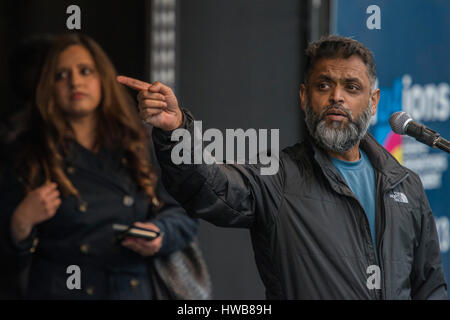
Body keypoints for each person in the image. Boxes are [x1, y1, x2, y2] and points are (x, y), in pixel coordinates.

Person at [117, 35, 448, 299]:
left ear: (373, 101)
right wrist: (176, 131)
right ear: (304, 97)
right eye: (323, 85)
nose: (336, 97)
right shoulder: (275, 176)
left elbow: (429, 286)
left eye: (351, 87)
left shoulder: (405, 184)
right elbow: (208, 187)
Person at [0, 33, 200, 299]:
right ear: (48, 86)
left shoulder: (137, 144)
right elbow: (7, 261)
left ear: (103, 79)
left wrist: (160, 233)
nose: (75, 82)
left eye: (85, 71)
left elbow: (185, 213)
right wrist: (20, 223)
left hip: (132, 290)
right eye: (61, 75)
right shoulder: (27, 155)